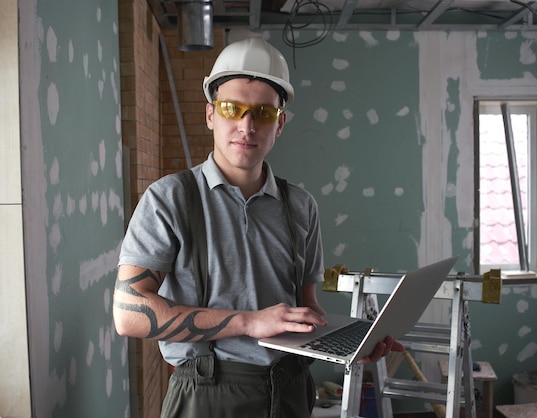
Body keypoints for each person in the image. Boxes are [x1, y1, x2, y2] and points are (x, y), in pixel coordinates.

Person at [113, 37, 403, 418]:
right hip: (208, 392)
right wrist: (249, 322)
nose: (246, 125)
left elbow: (307, 307)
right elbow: (129, 314)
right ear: (210, 116)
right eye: (231, 109)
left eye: (262, 113)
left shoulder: (301, 206)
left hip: (291, 390)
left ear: (279, 123)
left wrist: (348, 344)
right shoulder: (170, 198)